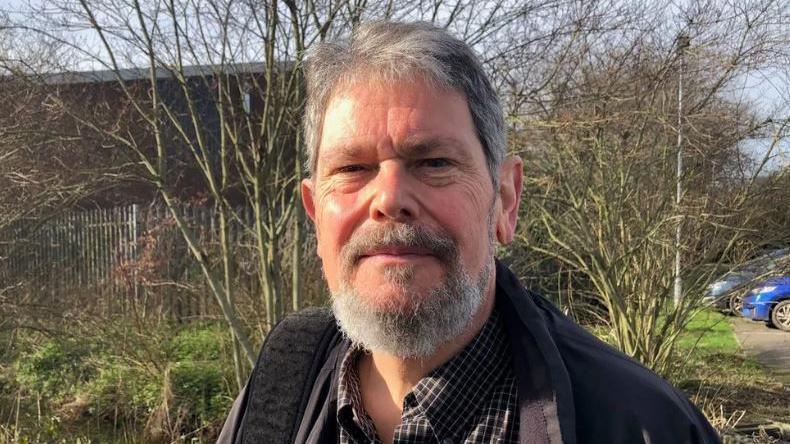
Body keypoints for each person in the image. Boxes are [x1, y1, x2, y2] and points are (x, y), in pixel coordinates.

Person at [219, 21, 720, 444]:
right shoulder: (279, 386)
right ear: (315, 215)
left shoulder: (645, 425)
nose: (389, 198)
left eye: (434, 162)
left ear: (505, 199)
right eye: (352, 168)